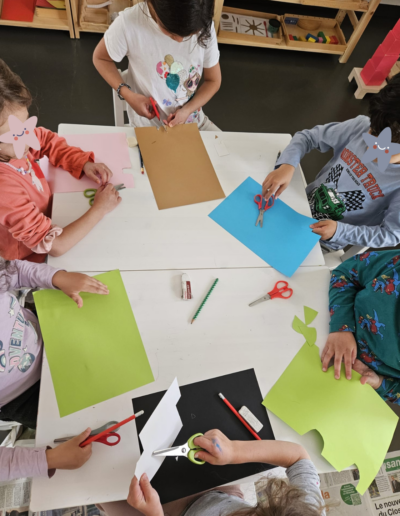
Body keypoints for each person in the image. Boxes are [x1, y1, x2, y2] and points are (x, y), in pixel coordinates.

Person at [0, 59, 122, 262]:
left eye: (27, 124)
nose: (29, 139)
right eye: (16, 136)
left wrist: (81, 162)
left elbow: (45, 139)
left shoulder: (18, 142)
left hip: (46, 218)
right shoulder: (5, 190)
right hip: (26, 257)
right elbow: (55, 246)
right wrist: (99, 209)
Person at [0, 257, 110, 481]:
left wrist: (58, 277)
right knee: (96, 433)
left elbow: (14, 271)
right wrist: (49, 460)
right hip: (23, 398)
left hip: (45, 328)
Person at [261, 75, 400, 251]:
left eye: (383, 143)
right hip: (298, 205)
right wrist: (287, 165)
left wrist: (339, 231)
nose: (370, 140)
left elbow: (391, 234)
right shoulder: (361, 127)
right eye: (373, 130)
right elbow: (308, 137)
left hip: (323, 241)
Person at [97, 429, 325, 516]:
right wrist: (234, 451)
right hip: (221, 495)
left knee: (100, 487)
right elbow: (298, 457)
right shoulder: (305, 512)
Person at [93, 0, 221, 130]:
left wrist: (186, 110)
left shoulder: (202, 21)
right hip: (148, 128)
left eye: (190, 34)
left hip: (195, 123)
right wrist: (128, 94)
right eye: (171, 32)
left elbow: (213, 81)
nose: (180, 40)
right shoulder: (129, 23)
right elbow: (100, 58)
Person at [322, 250, 400, 404]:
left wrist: (379, 383)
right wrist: (341, 326)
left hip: (353, 380)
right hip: (326, 319)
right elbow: (346, 272)